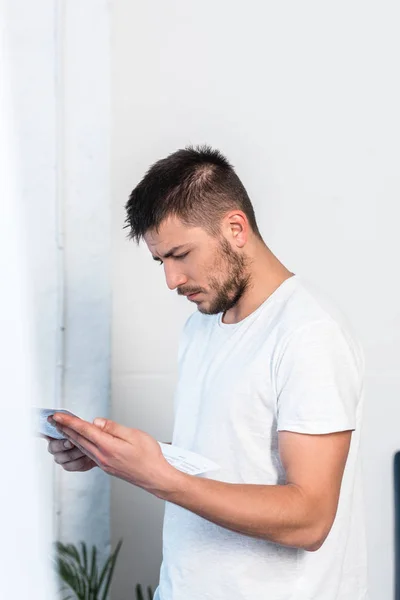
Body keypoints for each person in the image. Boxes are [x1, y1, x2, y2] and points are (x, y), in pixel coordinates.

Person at [46, 145, 368, 600]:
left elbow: (310, 518)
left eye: (181, 254)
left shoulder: (308, 334)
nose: (171, 280)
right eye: (162, 261)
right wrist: (122, 456)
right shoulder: (201, 328)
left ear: (235, 228)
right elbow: (229, 461)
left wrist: (159, 477)